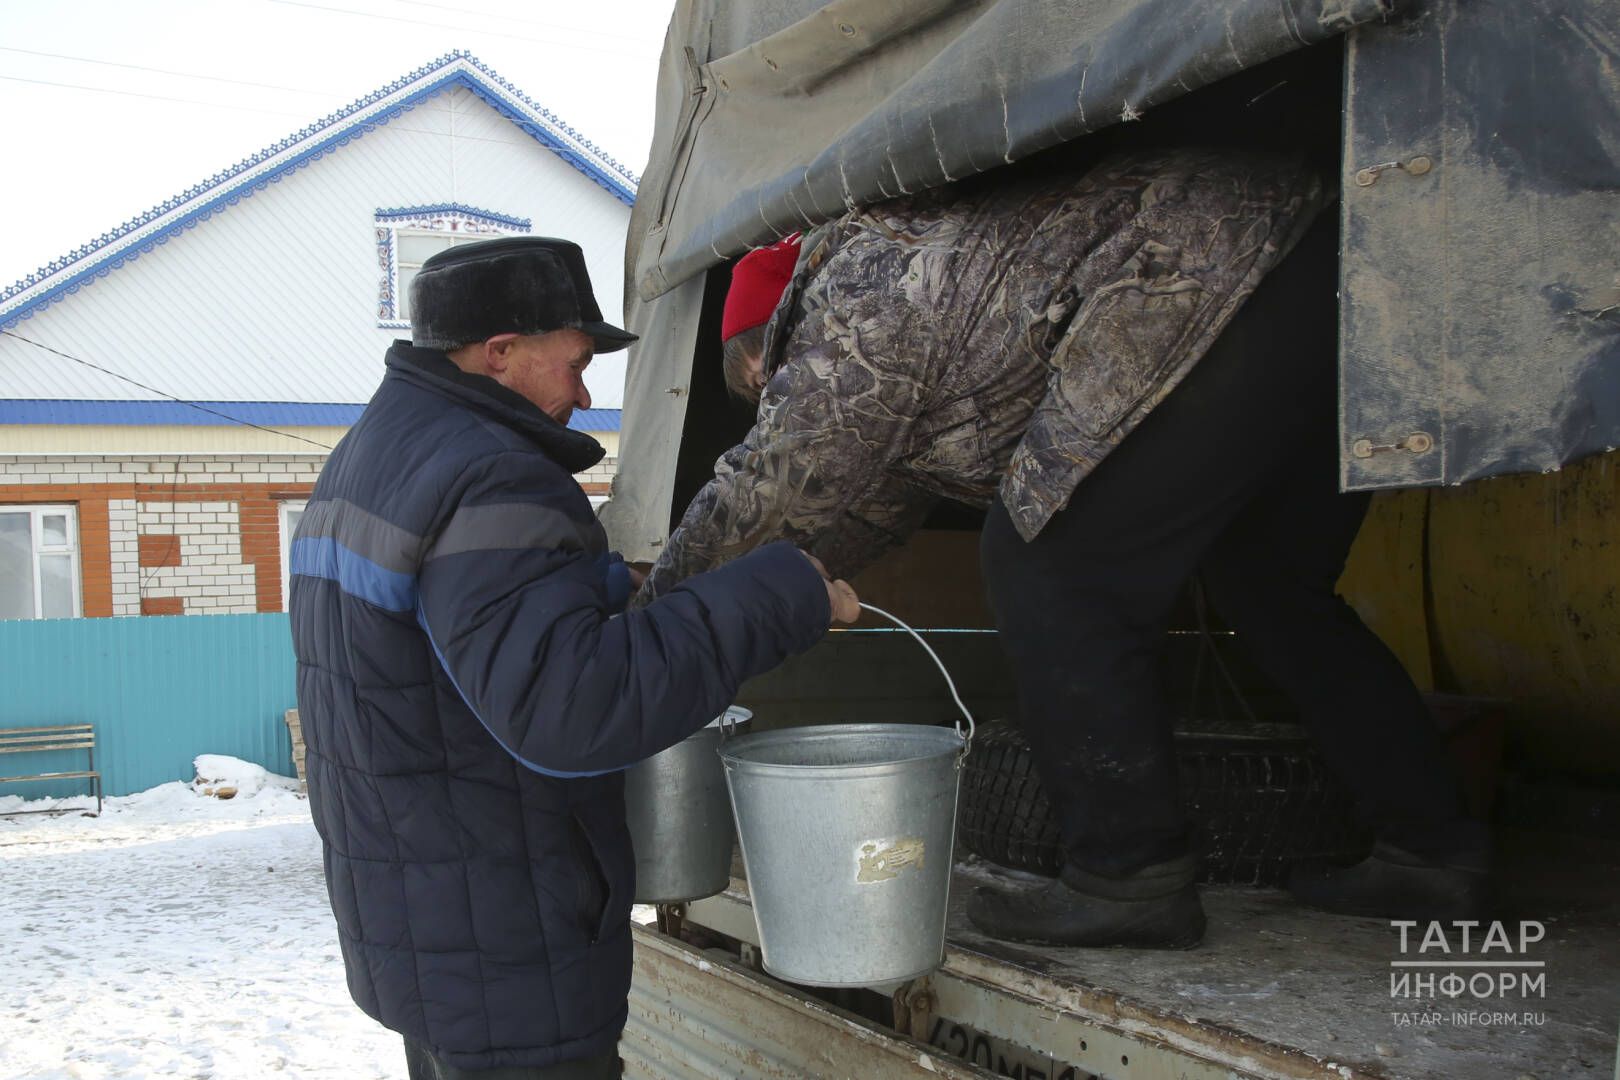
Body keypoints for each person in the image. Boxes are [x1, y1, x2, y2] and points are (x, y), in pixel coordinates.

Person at [636, 148, 1490, 949]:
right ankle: (1431, 850)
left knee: (1050, 567)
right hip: (1323, 264)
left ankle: (1128, 875)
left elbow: (777, 479)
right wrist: (792, 578)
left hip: (1210, 272)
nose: (772, 398)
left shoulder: (858, 286)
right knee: (1269, 584)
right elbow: (867, 500)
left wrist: (643, 618)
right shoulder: (922, 297)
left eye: (762, 386)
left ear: (762, 348)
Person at [288, 235, 859, 1079]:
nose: (584, 394)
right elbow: (573, 706)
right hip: (508, 937)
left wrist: (602, 584)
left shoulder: (375, 455)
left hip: (429, 917)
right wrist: (785, 594)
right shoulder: (493, 474)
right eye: (576, 362)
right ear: (501, 352)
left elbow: (448, 631)